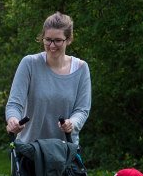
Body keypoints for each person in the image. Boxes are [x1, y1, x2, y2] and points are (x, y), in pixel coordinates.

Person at [5, 12, 91, 144]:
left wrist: (72, 123)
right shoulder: (29, 63)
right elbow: (14, 104)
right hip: (30, 148)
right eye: (48, 39)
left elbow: (82, 109)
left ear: (69, 40)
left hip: (65, 149)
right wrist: (13, 119)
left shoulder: (81, 68)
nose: (52, 45)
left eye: (58, 40)